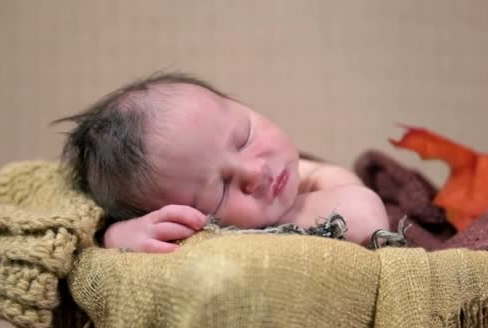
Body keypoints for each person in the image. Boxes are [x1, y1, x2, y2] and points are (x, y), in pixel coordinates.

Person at [56, 72, 389, 253]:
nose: (254, 171)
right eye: (221, 190)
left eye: (243, 138)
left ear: (241, 104)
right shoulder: (212, 244)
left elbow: (366, 216)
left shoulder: (317, 175)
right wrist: (116, 237)